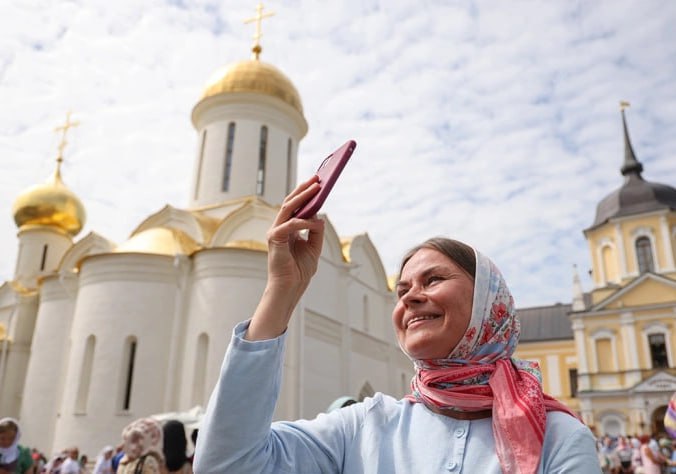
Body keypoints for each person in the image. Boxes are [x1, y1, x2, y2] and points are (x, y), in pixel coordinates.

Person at [193, 178, 600, 473]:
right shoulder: (365, 427)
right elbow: (227, 464)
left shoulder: (558, 439)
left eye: (433, 280)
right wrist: (283, 289)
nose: (409, 296)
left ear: (485, 304)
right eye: (402, 288)